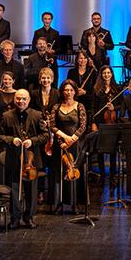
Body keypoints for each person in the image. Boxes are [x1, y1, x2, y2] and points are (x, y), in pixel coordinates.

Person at [0, 89, 48, 229]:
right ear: (14, 99)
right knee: (15, 189)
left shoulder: (37, 115)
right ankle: (15, 218)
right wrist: (11, 139)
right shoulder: (6, 116)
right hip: (14, 158)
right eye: (18, 99)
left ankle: (29, 217)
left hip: (31, 160)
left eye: (24, 99)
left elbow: (45, 136)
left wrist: (32, 141)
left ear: (29, 100)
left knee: (32, 190)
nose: (21, 101)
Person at [48, 79, 88, 213]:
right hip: (60, 143)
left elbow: (83, 126)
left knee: (74, 172)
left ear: (75, 91)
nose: (68, 92)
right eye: (66, 90)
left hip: (75, 144)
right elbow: (52, 126)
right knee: (59, 173)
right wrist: (64, 139)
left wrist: (72, 139)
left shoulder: (80, 106)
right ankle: (59, 203)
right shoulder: (56, 107)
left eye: (71, 90)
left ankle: (74, 203)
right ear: (62, 92)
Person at [29, 67, 60, 203]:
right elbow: (32, 111)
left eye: (48, 78)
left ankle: (53, 192)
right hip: (39, 131)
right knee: (40, 162)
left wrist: (51, 123)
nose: (45, 80)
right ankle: (40, 191)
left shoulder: (57, 94)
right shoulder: (34, 94)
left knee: (53, 163)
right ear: (40, 80)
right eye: (43, 77)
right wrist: (42, 122)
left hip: (54, 131)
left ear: (52, 79)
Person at [91, 64, 123, 181]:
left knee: (113, 151)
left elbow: (122, 106)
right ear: (101, 75)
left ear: (112, 74)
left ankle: (113, 175)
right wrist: (93, 122)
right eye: (104, 73)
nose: (106, 75)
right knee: (100, 151)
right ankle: (103, 175)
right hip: (100, 122)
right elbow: (93, 108)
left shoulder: (117, 89)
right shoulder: (96, 89)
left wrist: (114, 107)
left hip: (113, 123)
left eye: (108, 73)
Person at [0, 71, 17, 183]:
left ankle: (11, 184)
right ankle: (0, 184)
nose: (7, 81)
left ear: (13, 81)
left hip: (14, 128)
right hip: (1, 128)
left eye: (9, 79)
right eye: (5, 79)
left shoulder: (18, 94)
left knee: (13, 157)